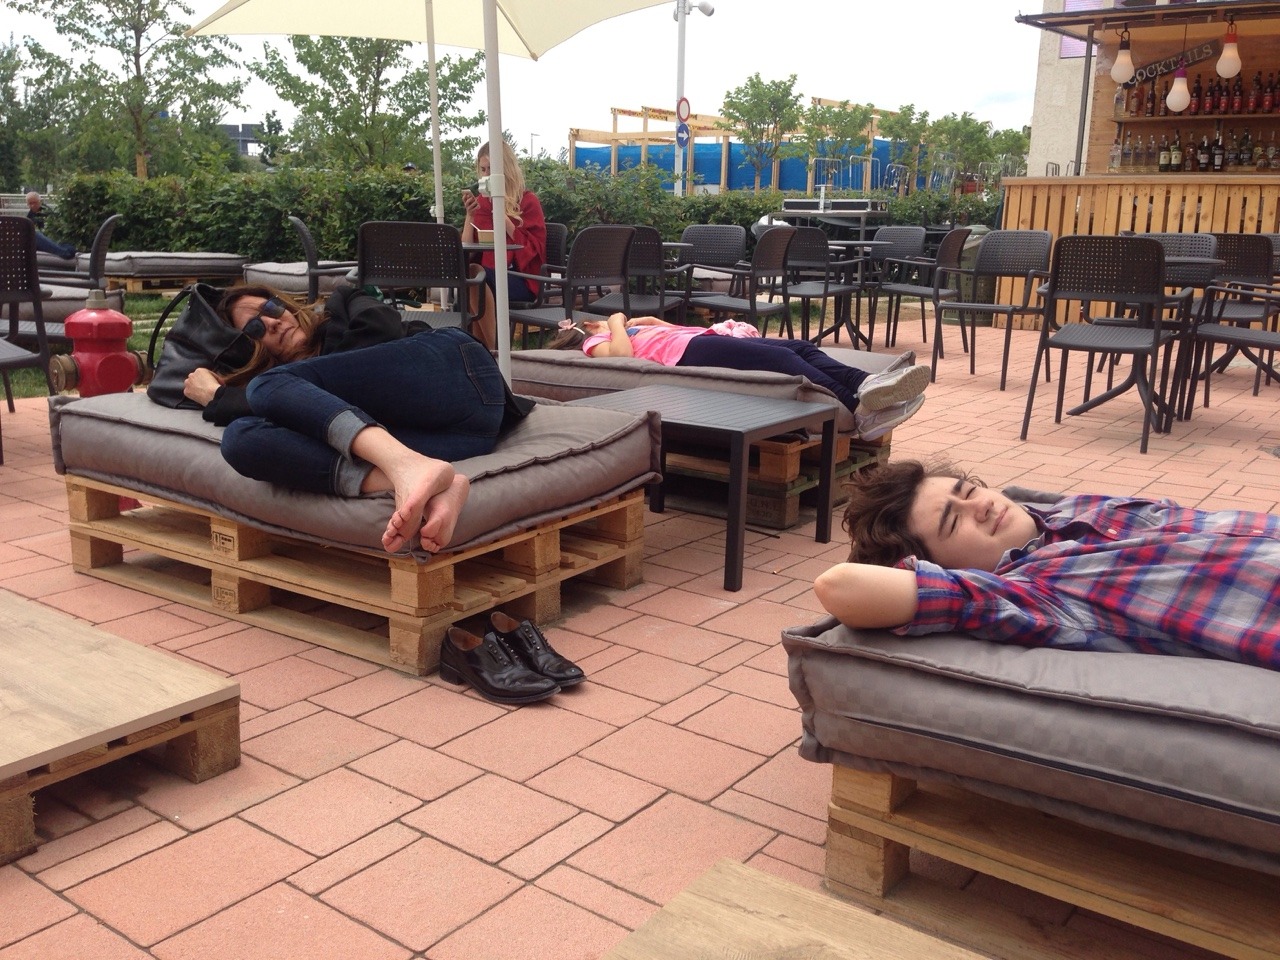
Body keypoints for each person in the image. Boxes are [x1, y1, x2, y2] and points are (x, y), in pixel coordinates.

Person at [813, 458, 1280, 671]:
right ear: (942, 568)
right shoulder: (1032, 592)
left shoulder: (1069, 510)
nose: (981, 506)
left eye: (969, 492)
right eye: (954, 523)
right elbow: (839, 586)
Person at [179, 283, 532, 554]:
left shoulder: (343, 302)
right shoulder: (281, 389)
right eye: (255, 329)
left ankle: (406, 468)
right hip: (462, 437)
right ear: (251, 348)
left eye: (270, 308)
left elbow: (382, 332)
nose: (272, 322)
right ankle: (426, 480)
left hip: (459, 374)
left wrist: (220, 397)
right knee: (241, 439)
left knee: (266, 387)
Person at [548, 313, 931, 441]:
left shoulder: (630, 330)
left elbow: (679, 332)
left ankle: (864, 382)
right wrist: (614, 323)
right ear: (586, 329)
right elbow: (624, 356)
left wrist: (656, 323)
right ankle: (860, 412)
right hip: (689, 355)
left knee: (798, 346)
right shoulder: (595, 342)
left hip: (698, 340)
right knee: (782, 359)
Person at [460, 140, 546, 351]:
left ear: (505, 170)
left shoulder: (528, 201)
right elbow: (466, 250)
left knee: (476, 279)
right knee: (473, 275)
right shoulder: (481, 203)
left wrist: (502, 214)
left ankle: (492, 352)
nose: (486, 175)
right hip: (488, 274)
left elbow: (534, 250)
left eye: (491, 169)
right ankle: (490, 353)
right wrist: (470, 215)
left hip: (521, 278)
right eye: (483, 169)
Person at [25, 191, 76, 260]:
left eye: (35, 203)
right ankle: (65, 252)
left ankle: (65, 251)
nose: (32, 205)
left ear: (40, 202)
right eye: (30, 203)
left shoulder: (48, 213)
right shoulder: (28, 218)